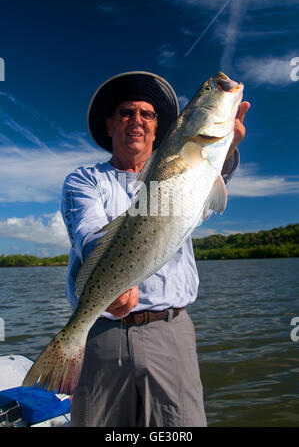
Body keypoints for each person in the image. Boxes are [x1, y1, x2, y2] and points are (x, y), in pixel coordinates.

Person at [61, 71, 250, 427]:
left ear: (159, 127)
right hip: (99, 334)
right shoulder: (85, 179)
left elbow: (209, 187)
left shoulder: (190, 170)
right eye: (126, 112)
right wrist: (111, 289)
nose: (137, 120)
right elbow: (86, 235)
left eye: (147, 114)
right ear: (109, 124)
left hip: (170, 331)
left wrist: (228, 147)